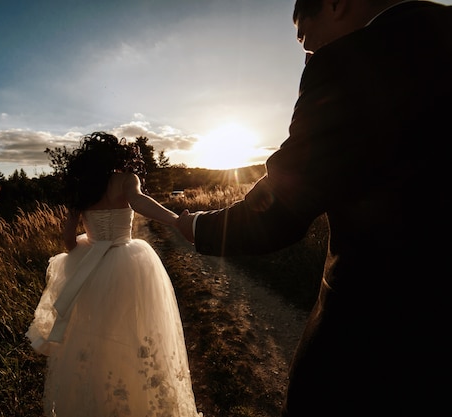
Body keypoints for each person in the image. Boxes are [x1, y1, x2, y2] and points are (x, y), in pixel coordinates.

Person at [176, 1, 452, 416]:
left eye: (305, 39)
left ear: (337, 4)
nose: (307, 52)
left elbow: (280, 210)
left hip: (378, 336)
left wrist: (198, 226)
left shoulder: (349, 62)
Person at [26, 132, 202, 417]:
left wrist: (88, 245)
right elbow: (141, 202)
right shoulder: (125, 179)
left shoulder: (81, 189)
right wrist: (177, 221)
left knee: (93, 335)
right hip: (128, 263)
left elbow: (69, 240)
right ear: (117, 156)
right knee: (134, 330)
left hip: (89, 268)